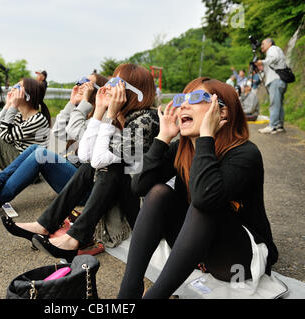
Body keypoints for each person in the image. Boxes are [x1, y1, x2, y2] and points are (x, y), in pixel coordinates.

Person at [117, 77, 278, 299]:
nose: (183, 104)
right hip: (198, 248)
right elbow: (139, 186)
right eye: (182, 98)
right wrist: (163, 138)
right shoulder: (181, 149)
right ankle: (128, 292)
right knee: (159, 193)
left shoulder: (244, 153)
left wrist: (206, 138)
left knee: (203, 204)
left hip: (237, 256)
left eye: (196, 98)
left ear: (222, 112)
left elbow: (204, 199)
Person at [3, 63, 160, 262]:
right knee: (91, 164)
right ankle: (47, 224)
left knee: (110, 166)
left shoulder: (147, 119)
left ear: (133, 90)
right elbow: (86, 156)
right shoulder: (120, 116)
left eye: (117, 82)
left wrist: (108, 114)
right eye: (110, 81)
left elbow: (99, 159)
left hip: (142, 207)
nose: (110, 86)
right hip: (112, 191)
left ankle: (75, 237)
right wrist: (99, 111)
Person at [0, 73, 108, 215]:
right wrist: (71, 103)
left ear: (99, 91)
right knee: (37, 149)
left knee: (41, 153)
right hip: (72, 179)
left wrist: (83, 104)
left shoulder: (101, 120)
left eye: (86, 83)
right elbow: (55, 141)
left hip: (87, 191)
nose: (80, 85)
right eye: (79, 81)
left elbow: (77, 132)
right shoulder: (80, 114)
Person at [255, 38, 288, 134]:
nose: (261, 46)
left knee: (274, 104)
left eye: (263, 44)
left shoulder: (272, 49)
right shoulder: (275, 49)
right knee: (279, 104)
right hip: (280, 81)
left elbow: (274, 58)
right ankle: (279, 125)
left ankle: (272, 126)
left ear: (269, 43)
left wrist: (262, 62)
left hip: (275, 81)